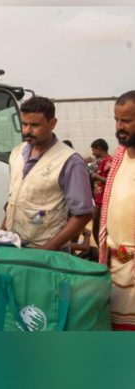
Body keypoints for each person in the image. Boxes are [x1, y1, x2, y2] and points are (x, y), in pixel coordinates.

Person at [3, 96, 93, 250]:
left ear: (52, 124)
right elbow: (14, 200)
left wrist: (46, 250)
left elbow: (83, 214)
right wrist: (2, 233)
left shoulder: (69, 161)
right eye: (24, 124)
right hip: (14, 245)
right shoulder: (17, 153)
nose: (27, 131)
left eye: (34, 125)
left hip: (48, 251)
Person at [98, 91, 135, 330]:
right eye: (116, 120)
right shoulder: (120, 156)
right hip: (116, 261)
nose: (119, 127)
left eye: (127, 121)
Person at [89, 138, 113, 246]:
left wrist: (96, 176)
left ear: (99, 149)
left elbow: (112, 180)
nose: (93, 153)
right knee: (97, 229)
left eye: (93, 150)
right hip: (98, 201)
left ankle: (103, 252)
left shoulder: (109, 161)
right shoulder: (101, 161)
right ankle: (102, 251)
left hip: (104, 202)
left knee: (99, 230)